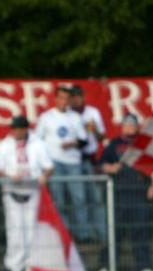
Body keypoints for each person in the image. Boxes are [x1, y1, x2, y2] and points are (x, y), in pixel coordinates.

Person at [93, 114, 153, 271]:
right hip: (118, 194)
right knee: (114, 233)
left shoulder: (144, 144)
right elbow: (101, 164)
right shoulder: (114, 144)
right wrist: (110, 168)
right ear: (122, 127)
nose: (129, 127)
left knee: (140, 232)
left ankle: (144, 267)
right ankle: (107, 267)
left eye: (132, 125)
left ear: (137, 127)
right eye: (127, 125)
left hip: (139, 194)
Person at [0, 115, 54, 271]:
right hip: (12, 191)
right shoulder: (5, 145)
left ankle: (30, 265)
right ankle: (14, 266)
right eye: (13, 129)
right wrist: (11, 176)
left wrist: (44, 176)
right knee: (14, 230)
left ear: (25, 129)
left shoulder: (38, 144)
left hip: (32, 191)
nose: (15, 132)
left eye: (18, 129)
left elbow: (48, 167)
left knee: (31, 230)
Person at [36, 85, 89, 239]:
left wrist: (73, 143)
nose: (64, 101)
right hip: (55, 162)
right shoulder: (46, 117)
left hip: (73, 162)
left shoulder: (75, 117)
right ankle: (62, 234)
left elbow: (83, 141)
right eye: (61, 98)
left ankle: (83, 234)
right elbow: (38, 141)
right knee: (58, 199)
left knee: (79, 198)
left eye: (66, 98)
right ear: (55, 99)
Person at [70, 84, 107, 242]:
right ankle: (84, 234)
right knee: (79, 199)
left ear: (83, 97)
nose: (77, 99)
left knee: (96, 198)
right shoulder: (68, 115)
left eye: (79, 96)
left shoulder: (93, 112)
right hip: (74, 159)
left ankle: (102, 233)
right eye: (74, 96)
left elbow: (102, 137)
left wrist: (94, 130)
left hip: (90, 158)